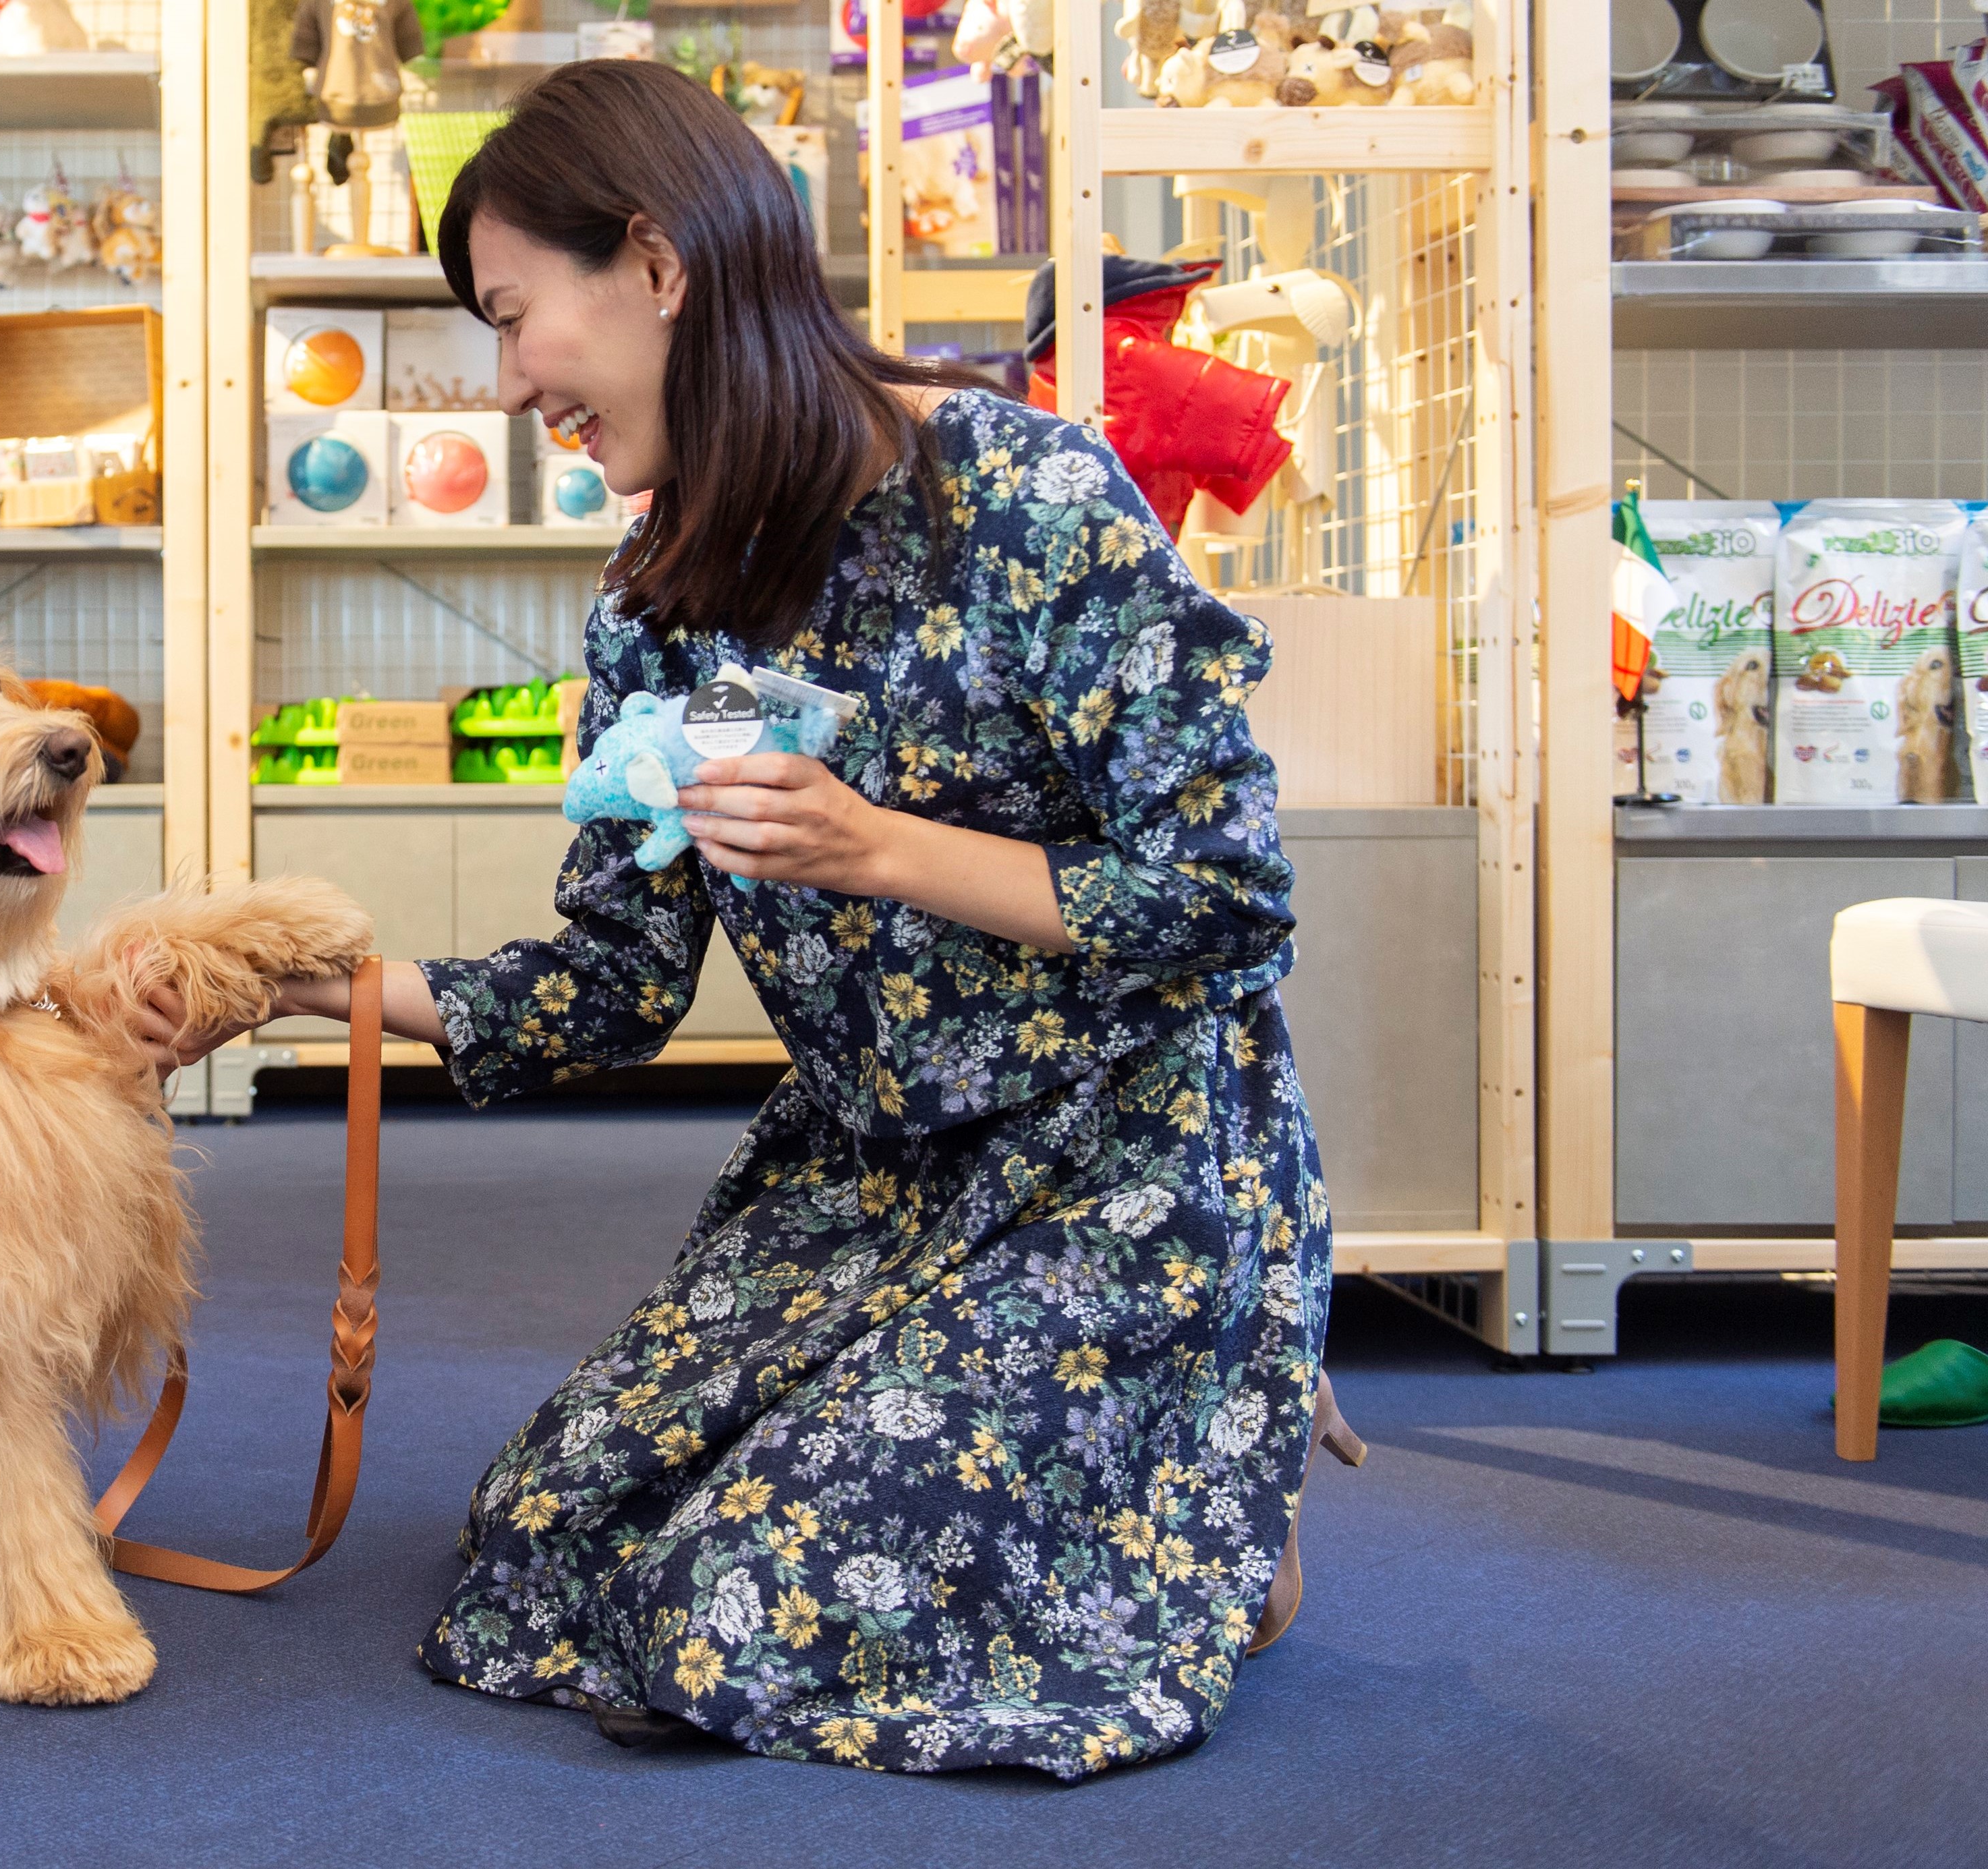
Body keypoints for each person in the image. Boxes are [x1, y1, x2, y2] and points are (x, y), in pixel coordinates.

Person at [139, 59, 1351, 1781]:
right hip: (869, 1172)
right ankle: (1140, 1447)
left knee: (737, 1613)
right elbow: (612, 986)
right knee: (540, 1540)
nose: (505, 384)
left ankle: (1212, 1442)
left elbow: (1227, 896)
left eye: (513, 315)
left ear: (654, 263)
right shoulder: (658, 601)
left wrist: (877, 848)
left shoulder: (1029, 498)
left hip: (1126, 1149)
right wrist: (284, 986)